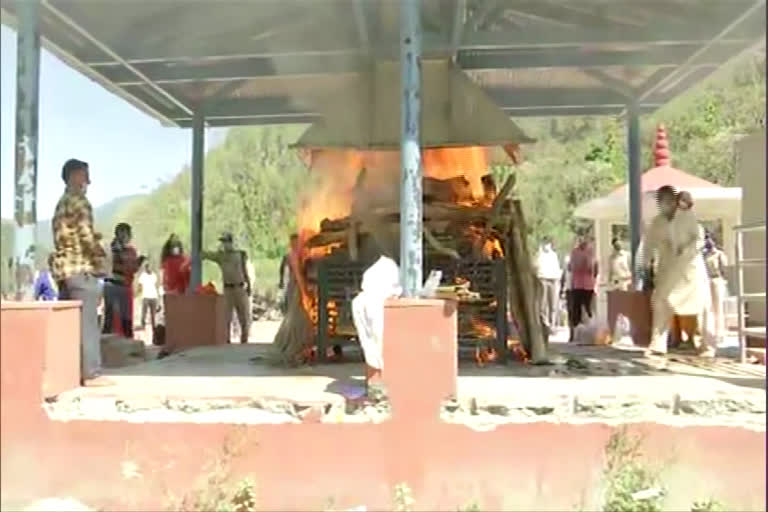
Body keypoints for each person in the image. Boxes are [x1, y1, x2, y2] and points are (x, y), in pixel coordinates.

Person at [50, 159, 110, 386]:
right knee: (87, 325)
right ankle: (91, 373)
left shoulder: (61, 203)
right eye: (85, 175)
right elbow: (85, 236)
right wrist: (100, 258)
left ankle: (68, 374)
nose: (89, 181)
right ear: (75, 176)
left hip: (64, 271)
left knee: (69, 328)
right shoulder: (80, 202)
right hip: (81, 270)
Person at [637, 185, 716, 357]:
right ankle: (658, 344)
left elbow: (699, 239)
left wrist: (687, 251)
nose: (665, 204)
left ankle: (707, 345)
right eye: (661, 200)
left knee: (702, 305)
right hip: (668, 270)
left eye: (668, 199)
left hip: (690, 269)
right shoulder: (657, 222)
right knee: (659, 301)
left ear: (674, 200)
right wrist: (645, 266)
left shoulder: (689, 217)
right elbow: (648, 245)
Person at [202, 232, 252, 344]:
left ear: (231, 242)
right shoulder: (220, 256)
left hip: (240, 287)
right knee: (226, 317)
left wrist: (249, 286)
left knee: (244, 317)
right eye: (223, 242)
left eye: (226, 242)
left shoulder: (240, 254)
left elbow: (245, 270)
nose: (225, 244)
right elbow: (205, 255)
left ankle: (244, 340)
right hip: (228, 289)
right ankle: (227, 340)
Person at [103, 223, 145, 338]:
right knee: (111, 318)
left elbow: (132, 269)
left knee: (126, 318)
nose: (126, 236)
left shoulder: (131, 251)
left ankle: (128, 339)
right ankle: (108, 342)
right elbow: (114, 262)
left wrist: (139, 262)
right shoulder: (112, 248)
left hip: (126, 285)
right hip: (113, 285)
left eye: (127, 233)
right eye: (123, 233)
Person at [568, 235, 598, 342]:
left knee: (589, 308)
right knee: (576, 309)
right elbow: (573, 267)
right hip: (577, 284)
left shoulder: (591, 252)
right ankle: (575, 333)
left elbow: (592, 268)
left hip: (588, 285)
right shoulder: (574, 252)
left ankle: (590, 332)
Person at [703, 233, 729, 339]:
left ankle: (720, 332)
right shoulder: (704, 255)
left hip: (716, 280)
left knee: (718, 307)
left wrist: (721, 280)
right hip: (706, 281)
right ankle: (710, 333)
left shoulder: (719, 254)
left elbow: (724, 269)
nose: (708, 242)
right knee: (708, 309)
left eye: (709, 239)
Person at [535, 237, 561, 329]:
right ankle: (544, 323)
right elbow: (536, 267)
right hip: (543, 279)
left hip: (553, 280)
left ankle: (552, 324)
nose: (547, 245)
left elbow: (557, 268)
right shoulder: (540, 255)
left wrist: (558, 280)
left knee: (553, 304)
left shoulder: (553, 255)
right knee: (543, 303)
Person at [278, 234, 298, 314]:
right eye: (292, 242)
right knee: (290, 301)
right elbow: (282, 269)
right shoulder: (287, 256)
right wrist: (281, 282)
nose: (294, 244)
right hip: (292, 282)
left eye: (296, 242)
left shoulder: (303, 254)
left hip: (300, 283)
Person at [137, 262, 160, 332]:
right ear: (146, 268)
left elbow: (156, 285)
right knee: (144, 312)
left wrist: (157, 295)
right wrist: (139, 294)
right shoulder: (142, 276)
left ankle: (154, 326)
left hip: (153, 296)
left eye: (150, 267)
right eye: (147, 267)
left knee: (153, 313)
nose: (149, 269)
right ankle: (143, 325)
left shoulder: (154, 275)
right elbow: (140, 286)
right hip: (146, 296)